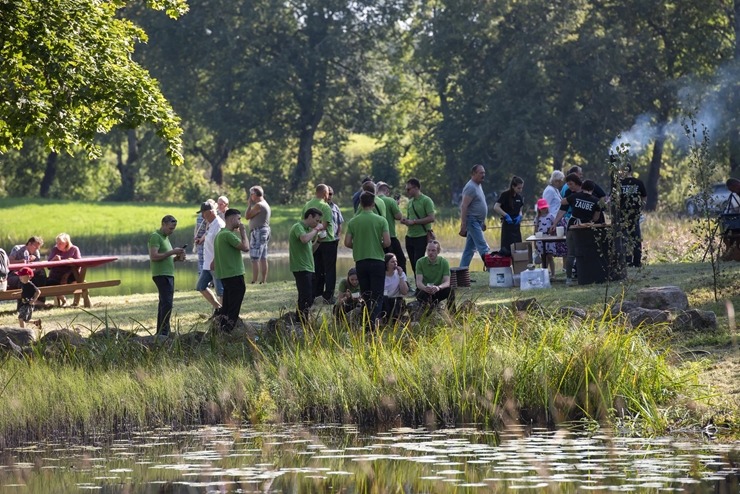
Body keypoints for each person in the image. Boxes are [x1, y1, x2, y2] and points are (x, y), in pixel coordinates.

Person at [344, 191, 391, 328]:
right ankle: (373, 322)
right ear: (373, 203)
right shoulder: (381, 220)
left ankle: (367, 321)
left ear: (360, 203)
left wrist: (358, 246)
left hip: (361, 262)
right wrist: (378, 244)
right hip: (377, 261)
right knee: (377, 294)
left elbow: (347, 243)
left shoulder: (353, 221)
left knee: (366, 294)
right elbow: (387, 242)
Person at [551, 174, 603, 285]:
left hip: (573, 225)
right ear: (592, 189)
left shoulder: (574, 196)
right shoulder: (595, 200)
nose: (569, 187)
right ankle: (589, 275)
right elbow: (596, 217)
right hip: (587, 227)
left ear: (581, 185)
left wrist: (572, 200)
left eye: (571, 184)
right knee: (587, 251)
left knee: (571, 253)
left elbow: (562, 202)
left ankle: (569, 279)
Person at [214, 208, 250, 333]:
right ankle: (229, 331)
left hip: (225, 276)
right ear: (232, 218)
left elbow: (214, 262)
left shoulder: (219, 235)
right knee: (233, 307)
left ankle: (222, 329)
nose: (240, 222)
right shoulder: (228, 235)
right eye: (239, 219)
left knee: (227, 306)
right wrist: (243, 232)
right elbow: (246, 247)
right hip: (234, 274)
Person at [148, 216, 186, 336]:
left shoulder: (165, 238)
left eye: (173, 229)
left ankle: (162, 331)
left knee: (164, 303)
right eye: (170, 228)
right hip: (161, 275)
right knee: (167, 303)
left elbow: (166, 258)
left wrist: (176, 258)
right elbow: (154, 256)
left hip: (168, 274)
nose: (172, 231)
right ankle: (164, 332)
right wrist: (172, 252)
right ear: (163, 224)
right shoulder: (156, 236)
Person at [302, 184, 336, 304]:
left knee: (316, 268)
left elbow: (304, 222)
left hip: (313, 241)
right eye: (328, 194)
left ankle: (316, 293)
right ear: (324, 193)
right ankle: (329, 295)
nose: (328, 196)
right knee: (330, 270)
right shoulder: (325, 206)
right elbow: (325, 225)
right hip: (327, 240)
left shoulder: (307, 205)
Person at [289, 207, 324, 321]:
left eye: (319, 222)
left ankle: (301, 319)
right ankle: (301, 321)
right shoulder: (298, 227)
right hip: (301, 268)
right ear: (309, 216)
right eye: (317, 220)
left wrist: (318, 241)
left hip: (309, 267)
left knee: (310, 296)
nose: (317, 223)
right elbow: (304, 239)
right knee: (305, 297)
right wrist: (316, 230)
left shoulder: (307, 230)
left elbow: (310, 250)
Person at [401, 178, 436, 278]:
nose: (407, 191)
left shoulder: (426, 200)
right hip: (409, 236)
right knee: (413, 263)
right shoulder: (410, 202)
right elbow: (410, 219)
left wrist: (414, 221)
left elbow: (431, 218)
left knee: (418, 263)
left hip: (421, 236)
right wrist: (405, 221)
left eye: (409, 189)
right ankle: (419, 285)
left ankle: (421, 286)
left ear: (416, 188)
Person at [195, 201, 225, 315]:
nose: (202, 215)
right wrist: (200, 240)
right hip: (207, 264)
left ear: (211, 211)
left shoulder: (219, 224)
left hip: (216, 263)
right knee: (201, 286)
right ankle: (218, 308)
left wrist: (215, 260)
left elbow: (222, 246)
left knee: (220, 291)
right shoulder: (211, 224)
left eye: (204, 212)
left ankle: (224, 315)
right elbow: (208, 236)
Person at [458, 164, 490, 268]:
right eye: (481, 173)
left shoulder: (478, 185)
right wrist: (463, 224)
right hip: (472, 221)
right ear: (474, 174)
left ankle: (461, 272)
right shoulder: (470, 187)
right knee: (483, 246)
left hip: (478, 221)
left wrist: (483, 221)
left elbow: (480, 203)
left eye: (484, 172)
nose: (483, 175)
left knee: (469, 250)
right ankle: (493, 270)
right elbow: (464, 206)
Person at [618, 163, 647, 267]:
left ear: (623, 171)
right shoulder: (638, 183)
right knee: (636, 238)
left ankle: (626, 260)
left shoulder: (619, 183)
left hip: (622, 214)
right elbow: (644, 197)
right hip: (635, 214)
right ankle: (637, 261)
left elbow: (613, 198)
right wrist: (640, 208)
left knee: (624, 238)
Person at [376, 182, 406, 273]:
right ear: (386, 191)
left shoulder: (372, 201)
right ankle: (402, 282)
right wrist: (396, 205)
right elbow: (399, 216)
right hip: (390, 236)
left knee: (382, 262)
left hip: (377, 238)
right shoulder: (390, 201)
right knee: (400, 260)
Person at [415, 240, 454, 311]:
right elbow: (418, 283)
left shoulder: (444, 262)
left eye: (433, 250)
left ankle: (453, 314)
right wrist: (425, 288)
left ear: (438, 251)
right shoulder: (420, 262)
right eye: (428, 250)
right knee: (421, 293)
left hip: (437, 290)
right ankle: (426, 314)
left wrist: (438, 288)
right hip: (425, 290)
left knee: (450, 290)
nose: (430, 253)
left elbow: (447, 282)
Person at [47, 233, 82, 306]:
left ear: (66, 243)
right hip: (56, 275)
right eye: (57, 243)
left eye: (60, 243)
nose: (58, 245)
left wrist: (72, 261)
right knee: (48, 284)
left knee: (76, 281)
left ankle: (76, 302)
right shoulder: (55, 249)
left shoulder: (74, 249)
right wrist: (54, 259)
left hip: (70, 273)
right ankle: (64, 300)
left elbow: (80, 264)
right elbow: (48, 266)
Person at [245, 185, 271, 284]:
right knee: (263, 257)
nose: (250, 197)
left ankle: (254, 280)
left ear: (255, 195)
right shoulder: (265, 204)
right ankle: (263, 280)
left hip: (258, 231)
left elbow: (247, 216)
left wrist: (249, 205)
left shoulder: (258, 205)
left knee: (255, 257)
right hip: (264, 230)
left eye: (251, 194)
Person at [493, 176, 524, 255]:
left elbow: (520, 210)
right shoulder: (505, 195)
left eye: (521, 188)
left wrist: (520, 216)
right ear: (513, 186)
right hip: (507, 225)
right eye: (518, 188)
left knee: (517, 251)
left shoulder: (519, 197)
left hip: (516, 227)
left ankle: (517, 266)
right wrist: (506, 215)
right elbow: (496, 207)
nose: (520, 190)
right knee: (506, 250)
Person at [383, 253, 409, 324]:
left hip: (396, 300)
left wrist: (400, 276)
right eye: (392, 262)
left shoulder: (400, 274)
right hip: (385, 300)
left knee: (396, 302)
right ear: (386, 264)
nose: (395, 264)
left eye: (396, 261)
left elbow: (405, 292)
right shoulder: (381, 275)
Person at [534, 198, 556, 277]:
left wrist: (553, 231)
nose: (544, 209)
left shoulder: (551, 216)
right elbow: (535, 230)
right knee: (543, 257)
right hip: (540, 240)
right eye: (542, 208)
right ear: (539, 209)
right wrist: (535, 242)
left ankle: (553, 273)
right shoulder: (537, 218)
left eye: (545, 207)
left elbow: (554, 225)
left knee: (550, 256)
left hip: (550, 239)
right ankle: (545, 274)